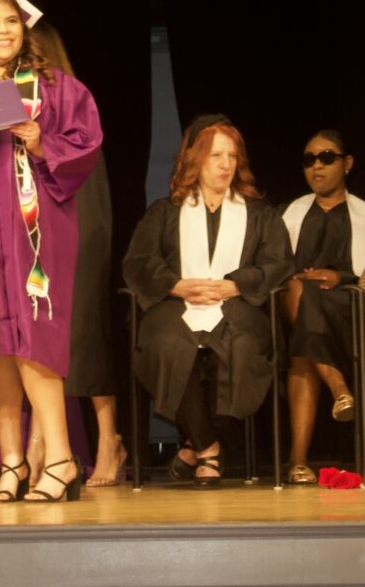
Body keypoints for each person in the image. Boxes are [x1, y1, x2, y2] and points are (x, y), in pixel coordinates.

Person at [0, 0, 103, 502]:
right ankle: (11, 463)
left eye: (12, 21)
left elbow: (86, 145)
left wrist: (39, 141)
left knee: (36, 340)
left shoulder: (58, 89)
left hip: (40, 235)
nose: (3, 31)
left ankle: (60, 459)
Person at [122, 116, 292, 487]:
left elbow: (279, 263)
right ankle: (209, 448)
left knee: (244, 345)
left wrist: (238, 284)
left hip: (238, 305)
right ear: (195, 160)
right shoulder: (165, 212)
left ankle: (192, 446)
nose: (225, 164)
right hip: (175, 305)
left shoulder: (260, 214)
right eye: (216, 155)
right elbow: (138, 262)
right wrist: (176, 285)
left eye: (232, 155)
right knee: (166, 343)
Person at [25, 21, 125, 487]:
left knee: (84, 333)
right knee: (36, 336)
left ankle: (108, 439)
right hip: (35, 231)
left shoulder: (69, 99)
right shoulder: (13, 99)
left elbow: (85, 175)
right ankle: (40, 439)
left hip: (80, 224)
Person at [280, 130, 363, 484]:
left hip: (350, 313)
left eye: (326, 157)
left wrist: (339, 277)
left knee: (304, 352)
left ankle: (297, 461)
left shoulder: (362, 214)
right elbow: (274, 266)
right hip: (295, 307)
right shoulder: (292, 214)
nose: (317, 166)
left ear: (346, 164)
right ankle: (339, 388)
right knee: (301, 288)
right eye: (309, 159)